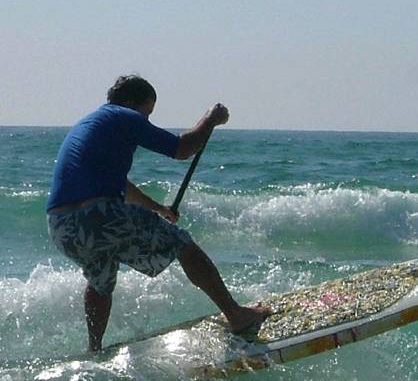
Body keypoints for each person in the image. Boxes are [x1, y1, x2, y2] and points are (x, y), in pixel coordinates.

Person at [48, 75, 271, 352]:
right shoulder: (124, 116)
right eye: (148, 112)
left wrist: (158, 209)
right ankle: (237, 315)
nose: (146, 119)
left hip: (61, 227)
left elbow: (122, 187)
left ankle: (95, 348)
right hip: (101, 216)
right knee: (184, 246)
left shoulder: (90, 123)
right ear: (132, 103)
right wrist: (211, 119)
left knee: (100, 281)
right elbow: (182, 148)